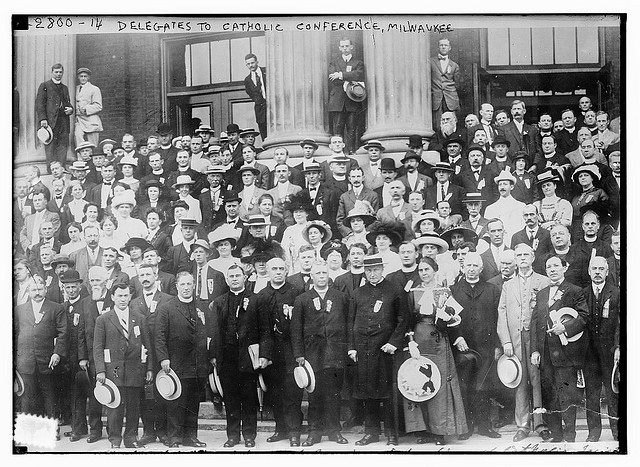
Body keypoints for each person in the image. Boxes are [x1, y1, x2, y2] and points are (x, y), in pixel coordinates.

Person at [404, 256, 468, 444]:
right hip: (420, 341)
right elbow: (407, 320)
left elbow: (454, 317)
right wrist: (411, 342)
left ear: (435, 270)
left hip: (439, 342)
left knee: (439, 385)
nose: (424, 273)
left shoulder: (445, 291)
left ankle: (440, 430)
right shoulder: (413, 292)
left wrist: (453, 327)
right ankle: (423, 431)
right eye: (421, 270)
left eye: (427, 269)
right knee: (420, 382)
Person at [349, 255, 408, 446]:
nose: (372, 274)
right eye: (368, 271)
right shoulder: (358, 293)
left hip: (386, 350)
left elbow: (403, 320)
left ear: (382, 269)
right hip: (364, 350)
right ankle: (371, 433)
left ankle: (392, 433)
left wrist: (393, 343)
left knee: (388, 393)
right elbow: (350, 322)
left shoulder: (394, 290)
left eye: (375, 270)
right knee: (367, 393)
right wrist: (351, 348)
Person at [290, 260, 350, 447]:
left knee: (333, 394)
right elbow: (296, 329)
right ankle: (314, 432)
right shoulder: (302, 299)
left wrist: (347, 349)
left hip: (335, 354)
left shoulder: (340, 297)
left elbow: (348, 324)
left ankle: (334, 431)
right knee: (314, 395)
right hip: (312, 354)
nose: (321, 276)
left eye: (324, 273)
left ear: (328, 275)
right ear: (312, 276)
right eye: (318, 273)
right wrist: (299, 354)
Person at [530, 255, 588, 443]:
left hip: (565, 352)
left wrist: (566, 327)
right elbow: (535, 323)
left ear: (565, 267)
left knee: (567, 394)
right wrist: (535, 350)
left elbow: (584, 316)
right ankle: (556, 433)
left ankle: (570, 434)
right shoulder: (541, 293)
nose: (552, 269)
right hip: (545, 352)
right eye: (549, 267)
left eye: (556, 266)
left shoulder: (575, 291)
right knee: (549, 393)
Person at [496, 244, 551, 442]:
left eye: (525, 254)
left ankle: (541, 423)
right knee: (519, 380)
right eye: (518, 255)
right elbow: (501, 313)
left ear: (533, 257)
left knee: (537, 378)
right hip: (516, 337)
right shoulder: (508, 285)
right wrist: (506, 341)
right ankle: (523, 425)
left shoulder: (543, 281)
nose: (522, 258)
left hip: (536, 338)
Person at [210, 265, 268, 448]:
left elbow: (265, 331)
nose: (234, 279)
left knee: (249, 397)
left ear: (244, 278)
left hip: (248, 356)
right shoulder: (219, 302)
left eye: (237, 275)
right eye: (231, 276)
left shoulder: (257, 300)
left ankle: (249, 435)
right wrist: (213, 356)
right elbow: (213, 332)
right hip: (227, 357)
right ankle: (233, 436)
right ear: (227, 280)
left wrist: (264, 355)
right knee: (231, 398)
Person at [155, 271, 212, 448]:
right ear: (177, 286)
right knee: (176, 402)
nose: (186, 288)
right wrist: (164, 358)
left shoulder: (201, 306)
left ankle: (191, 437)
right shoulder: (167, 307)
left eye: (189, 284)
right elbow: (159, 336)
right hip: (176, 363)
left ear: (193, 285)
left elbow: (209, 332)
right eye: (183, 285)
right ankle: (175, 438)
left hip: (198, 363)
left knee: (193, 402)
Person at [449, 252, 502, 440]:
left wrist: (497, 345)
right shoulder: (453, 290)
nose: (471, 269)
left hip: (486, 346)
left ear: (481, 269)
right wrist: (458, 338)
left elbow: (498, 320)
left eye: (475, 266)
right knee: (465, 386)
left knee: (484, 386)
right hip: (463, 347)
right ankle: (467, 426)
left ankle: (485, 426)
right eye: (468, 266)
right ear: (463, 268)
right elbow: (448, 319)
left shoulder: (492, 290)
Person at [93, 283, 152, 448]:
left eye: (126, 295)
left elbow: (147, 345)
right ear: (112, 297)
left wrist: (149, 368)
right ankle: (115, 439)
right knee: (115, 407)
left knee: (134, 407)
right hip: (114, 371)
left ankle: (131, 438)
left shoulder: (139, 318)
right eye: (119, 296)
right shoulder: (103, 319)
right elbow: (97, 348)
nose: (123, 299)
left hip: (135, 370)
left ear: (130, 297)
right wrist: (101, 371)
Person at [256, 258, 304, 446]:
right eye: (274, 268)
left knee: (292, 393)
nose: (277, 272)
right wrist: (263, 355)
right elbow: (259, 327)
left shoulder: (296, 293)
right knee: (275, 393)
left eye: (281, 269)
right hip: (270, 353)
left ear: (286, 271)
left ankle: (294, 432)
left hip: (291, 351)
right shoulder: (261, 296)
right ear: (267, 271)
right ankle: (281, 429)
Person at [129, 264, 174, 445]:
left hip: (162, 354)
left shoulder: (168, 299)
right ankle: (148, 431)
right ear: (138, 278)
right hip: (141, 357)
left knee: (163, 392)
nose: (145, 278)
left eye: (148, 274)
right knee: (144, 395)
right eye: (142, 275)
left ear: (156, 275)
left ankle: (162, 431)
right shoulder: (133, 302)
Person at [14, 275, 67, 425]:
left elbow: (63, 333)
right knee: (28, 397)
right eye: (33, 289)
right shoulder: (19, 310)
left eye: (40, 289)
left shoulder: (56, 308)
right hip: (25, 360)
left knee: (49, 396)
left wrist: (57, 353)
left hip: (47, 360)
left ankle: (52, 429)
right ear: (28, 291)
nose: (37, 293)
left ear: (45, 289)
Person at [582, 256, 620, 442]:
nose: (597, 272)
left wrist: (619, 346)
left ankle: (617, 430)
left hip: (610, 352)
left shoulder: (617, 293)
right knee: (592, 394)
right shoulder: (582, 294)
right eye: (594, 269)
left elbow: (621, 323)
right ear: (589, 271)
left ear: (606, 272)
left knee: (613, 392)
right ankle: (593, 433)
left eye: (600, 269)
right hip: (589, 354)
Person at [327, 38, 365, 154]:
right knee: (337, 127)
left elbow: (359, 75)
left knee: (352, 127)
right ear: (339, 48)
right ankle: (338, 152)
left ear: (351, 47)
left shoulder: (358, 63)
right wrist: (349, 78)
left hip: (352, 100)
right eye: (342, 46)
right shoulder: (334, 62)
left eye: (347, 46)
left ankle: (351, 151)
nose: (345, 49)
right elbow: (333, 80)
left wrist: (340, 74)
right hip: (338, 101)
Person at [36, 63, 74, 170]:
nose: (58, 74)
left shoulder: (65, 88)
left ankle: (61, 168)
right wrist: (43, 118)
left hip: (63, 121)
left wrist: (71, 109)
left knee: (63, 145)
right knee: (50, 145)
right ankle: (51, 170)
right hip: (50, 121)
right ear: (52, 72)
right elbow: (39, 103)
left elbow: (67, 103)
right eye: (56, 72)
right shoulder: (45, 86)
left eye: (60, 72)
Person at [484, 170, 526, 246]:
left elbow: (524, 231)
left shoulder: (521, 206)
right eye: (500, 185)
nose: (502, 187)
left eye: (505, 184)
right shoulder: (490, 209)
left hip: (516, 245)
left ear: (512, 187)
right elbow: (487, 233)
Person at [336, 167, 379, 238]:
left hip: (367, 235)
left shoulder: (372, 195)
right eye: (353, 177)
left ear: (363, 178)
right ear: (349, 179)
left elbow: (376, 218)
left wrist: (366, 233)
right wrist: (349, 233)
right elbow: (340, 220)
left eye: (358, 176)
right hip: (350, 236)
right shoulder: (344, 197)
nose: (356, 179)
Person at [430, 38, 460, 130]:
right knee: (437, 124)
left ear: (449, 48)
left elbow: (457, 83)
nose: (443, 47)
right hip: (436, 97)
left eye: (445, 45)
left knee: (451, 123)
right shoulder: (430, 62)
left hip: (450, 98)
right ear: (438, 47)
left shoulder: (454, 65)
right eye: (441, 45)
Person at [500, 100, 540, 166]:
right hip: (511, 167)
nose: (516, 111)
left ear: (524, 111)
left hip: (530, 168)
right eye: (514, 109)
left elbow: (538, 151)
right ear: (511, 112)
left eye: (519, 109)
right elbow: (502, 151)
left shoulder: (533, 130)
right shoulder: (504, 129)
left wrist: (534, 166)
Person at [74, 67, 103, 147]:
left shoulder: (94, 89)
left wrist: (86, 109)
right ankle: (80, 158)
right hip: (79, 119)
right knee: (77, 136)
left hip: (91, 120)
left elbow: (98, 106)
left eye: (85, 76)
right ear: (78, 77)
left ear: (88, 77)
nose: (83, 78)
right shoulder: (75, 89)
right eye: (81, 76)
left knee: (93, 145)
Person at [244, 53, 267, 140]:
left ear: (257, 62)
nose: (251, 65)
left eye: (252, 63)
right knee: (264, 134)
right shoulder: (247, 80)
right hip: (260, 110)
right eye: (248, 64)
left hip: (273, 107)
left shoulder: (267, 71)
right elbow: (250, 94)